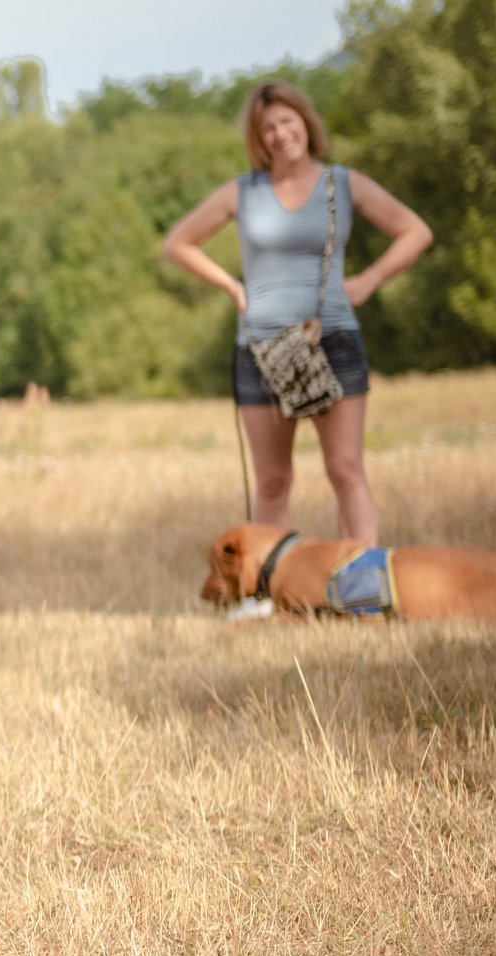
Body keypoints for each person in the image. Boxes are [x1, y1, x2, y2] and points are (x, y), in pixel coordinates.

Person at [163, 80, 432, 583]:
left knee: (345, 469)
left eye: (288, 121)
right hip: (261, 349)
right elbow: (178, 242)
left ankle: (363, 586)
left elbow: (416, 230)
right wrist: (231, 286)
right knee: (272, 480)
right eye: (268, 128)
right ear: (258, 138)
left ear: (307, 122)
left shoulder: (342, 184)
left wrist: (370, 279)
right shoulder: (243, 192)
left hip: (331, 340)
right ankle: (272, 589)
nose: (281, 133)